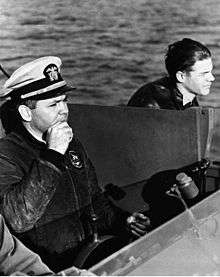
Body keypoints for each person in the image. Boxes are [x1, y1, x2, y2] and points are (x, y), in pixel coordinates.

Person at [0, 56, 150, 273]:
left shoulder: (72, 145)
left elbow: (95, 200)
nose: (63, 110)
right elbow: (18, 220)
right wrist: (53, 155)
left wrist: (124, 220)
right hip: (48, 269)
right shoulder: (6, 154)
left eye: (64, 101)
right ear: (25, 112)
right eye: (53, 104)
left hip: (90, 257)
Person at [127, 38, 215, 109]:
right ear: (181, 76)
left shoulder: (187, 95)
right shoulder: (153, 104)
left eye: (210, 71)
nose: (212, 78)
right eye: (203, 74)